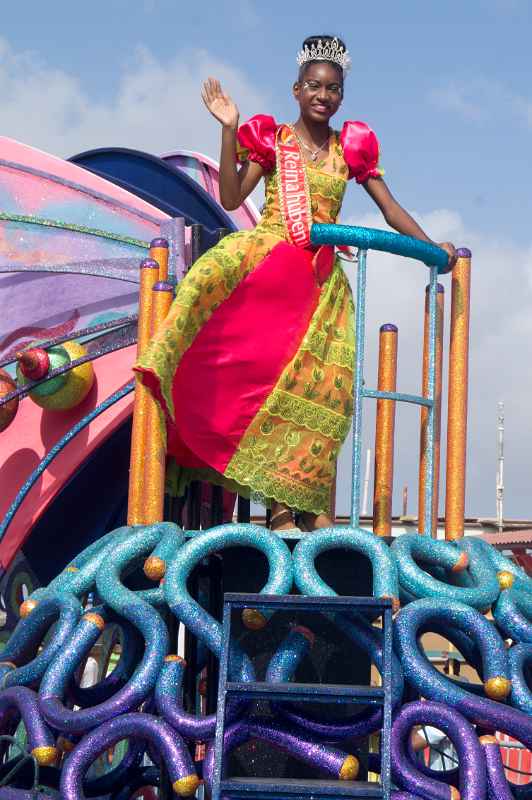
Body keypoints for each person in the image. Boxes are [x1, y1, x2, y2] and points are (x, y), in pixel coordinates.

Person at [134, 35, 456, 533]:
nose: (322, 96)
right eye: (313, 86)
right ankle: (278, 508)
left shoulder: (351, 149)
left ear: (341, 97)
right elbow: (229, 192)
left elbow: (390, 210)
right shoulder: (273, 139)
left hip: (320, 285)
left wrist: (436, 248)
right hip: (269, 270)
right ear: (296, 90)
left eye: (332, 88)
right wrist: (229, 129)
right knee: (260, 381)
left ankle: (305, 505)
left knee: (323, 391)